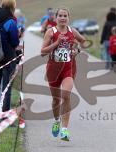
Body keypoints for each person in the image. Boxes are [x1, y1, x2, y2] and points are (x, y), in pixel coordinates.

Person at [41, 7, 86, 141]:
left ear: (68, 18)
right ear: (55, 18)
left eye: (65, 16)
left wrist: (77, 51)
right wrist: (57, 43)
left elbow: (83, 41)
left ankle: (65, 130)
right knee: (56, 100)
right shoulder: (51, 32)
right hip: (53, 70)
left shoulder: (72, 31)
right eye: (60, 15)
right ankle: (56, 121)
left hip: (68, 68)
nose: (62, 18)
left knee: (66, 95)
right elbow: (42, 52)